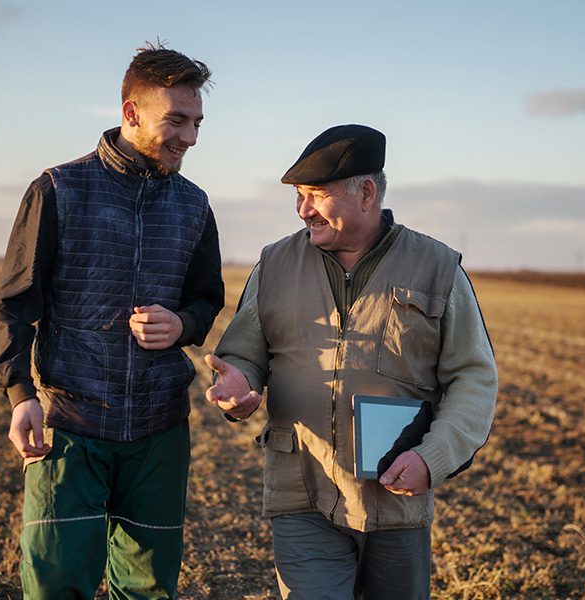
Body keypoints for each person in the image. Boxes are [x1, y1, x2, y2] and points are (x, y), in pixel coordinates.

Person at [204, 124, 497, 599]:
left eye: (316, 195)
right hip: (301, 489)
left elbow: (474, 379)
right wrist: (238, 382)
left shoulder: (438, 268)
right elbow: (244, 352)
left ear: (365, 193)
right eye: (299, 196)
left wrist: (433, 457)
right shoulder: (274, 263)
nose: (303, 211)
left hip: (397, 497)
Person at [0, 42, 224, 598]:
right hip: (70, 428)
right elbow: (15, 304)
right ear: (131, 112)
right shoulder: (58, 189)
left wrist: (182, 325)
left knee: (148, 589)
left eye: (197, 122)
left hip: (160, 433)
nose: (190, 137)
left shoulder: (195, 205)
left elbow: (206, 299)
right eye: (177, 121)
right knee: (55, 585)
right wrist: (21, 394)